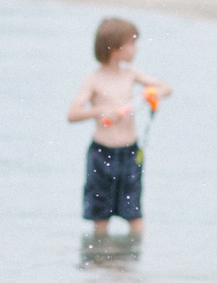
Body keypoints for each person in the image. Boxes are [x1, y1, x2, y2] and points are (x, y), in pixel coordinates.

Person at [66, 17, 171, 237]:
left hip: (130, 152)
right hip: (101, 153)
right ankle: (100, 265)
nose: (136, 48)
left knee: (134, 213)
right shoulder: (93, 80)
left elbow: (166, 88)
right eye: (131, 43)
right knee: (100, 215)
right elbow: (72, 114)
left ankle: (133, 263)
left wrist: (151, 94)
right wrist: (99, 111)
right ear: (114, 49)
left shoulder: (131, 74)